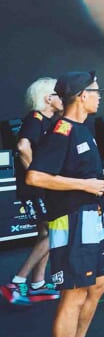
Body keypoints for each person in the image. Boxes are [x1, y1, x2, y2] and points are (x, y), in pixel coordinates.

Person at [26, 71, 104, 337]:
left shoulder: (83, 129)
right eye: (96, 91)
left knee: (98, 285)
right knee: (74, 293)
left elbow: (87, 173)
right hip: (71, 221)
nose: (99, 96)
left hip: (92, 218)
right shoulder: (61, 132)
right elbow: (35, 176)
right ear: (81, 95)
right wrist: (85, 185)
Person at [2, 77, 63, 306]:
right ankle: (16, 282)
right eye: (59, 95)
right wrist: (37, 176)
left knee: (46, 233)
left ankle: (37, 284)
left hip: (41, 187)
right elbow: (22, 147)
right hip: (35, 189)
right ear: (48, 98)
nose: (63, 98)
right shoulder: (35, 119)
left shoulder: (48, 121)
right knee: (54, 232)